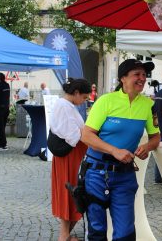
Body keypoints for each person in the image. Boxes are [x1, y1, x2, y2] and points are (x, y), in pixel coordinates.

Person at [81, 59, 161, 240]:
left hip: (125, 175)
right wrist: (114, 150)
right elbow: (86, 135)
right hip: (96, 172)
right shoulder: (106, 101)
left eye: (144, 74)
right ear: (123, 78)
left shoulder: (147, 104)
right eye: (136, 74)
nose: (142, 78)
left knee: (125, 232)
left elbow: (156, 137)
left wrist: (147, 146)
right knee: (97, 229)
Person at [50, 78, 90, 241]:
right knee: (71, 193)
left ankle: (64, 235)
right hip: (70, 157)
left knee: (74, 193)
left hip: (72, 156)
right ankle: (64, 235)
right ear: (76, 93)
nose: (84, 101)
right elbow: (73, 135)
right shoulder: (64, 106)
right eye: (84, 97)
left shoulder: (67, 105)